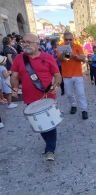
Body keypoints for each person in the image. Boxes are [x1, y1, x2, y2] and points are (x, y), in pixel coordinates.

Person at [10, 33, 62, 161]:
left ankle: (50, 149)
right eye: (24, 42)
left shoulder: (48, 57)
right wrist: (15, 87)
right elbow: (14, 76)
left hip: (47, 96)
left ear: (37, 44)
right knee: (40, 124)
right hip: (30, 98)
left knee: (48, 123)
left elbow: (57, 75)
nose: (25, 44)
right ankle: (49, 145)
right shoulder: (19, 58)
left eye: (29, 42)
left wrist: (56, 84)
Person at [57, 32, 89, 120]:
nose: (68, 41)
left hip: (77, 74)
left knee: (81, 93)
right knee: (69, 94)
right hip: (66, 75)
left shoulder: (78, 47)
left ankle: (84, 110)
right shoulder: (60, 47)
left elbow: (83, 59)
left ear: (73, 39)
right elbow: (59, 59)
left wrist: (74, 55)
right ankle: (73, 105)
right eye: (66, 40)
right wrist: (64, 53)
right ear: (64, 40)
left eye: (70, 39)